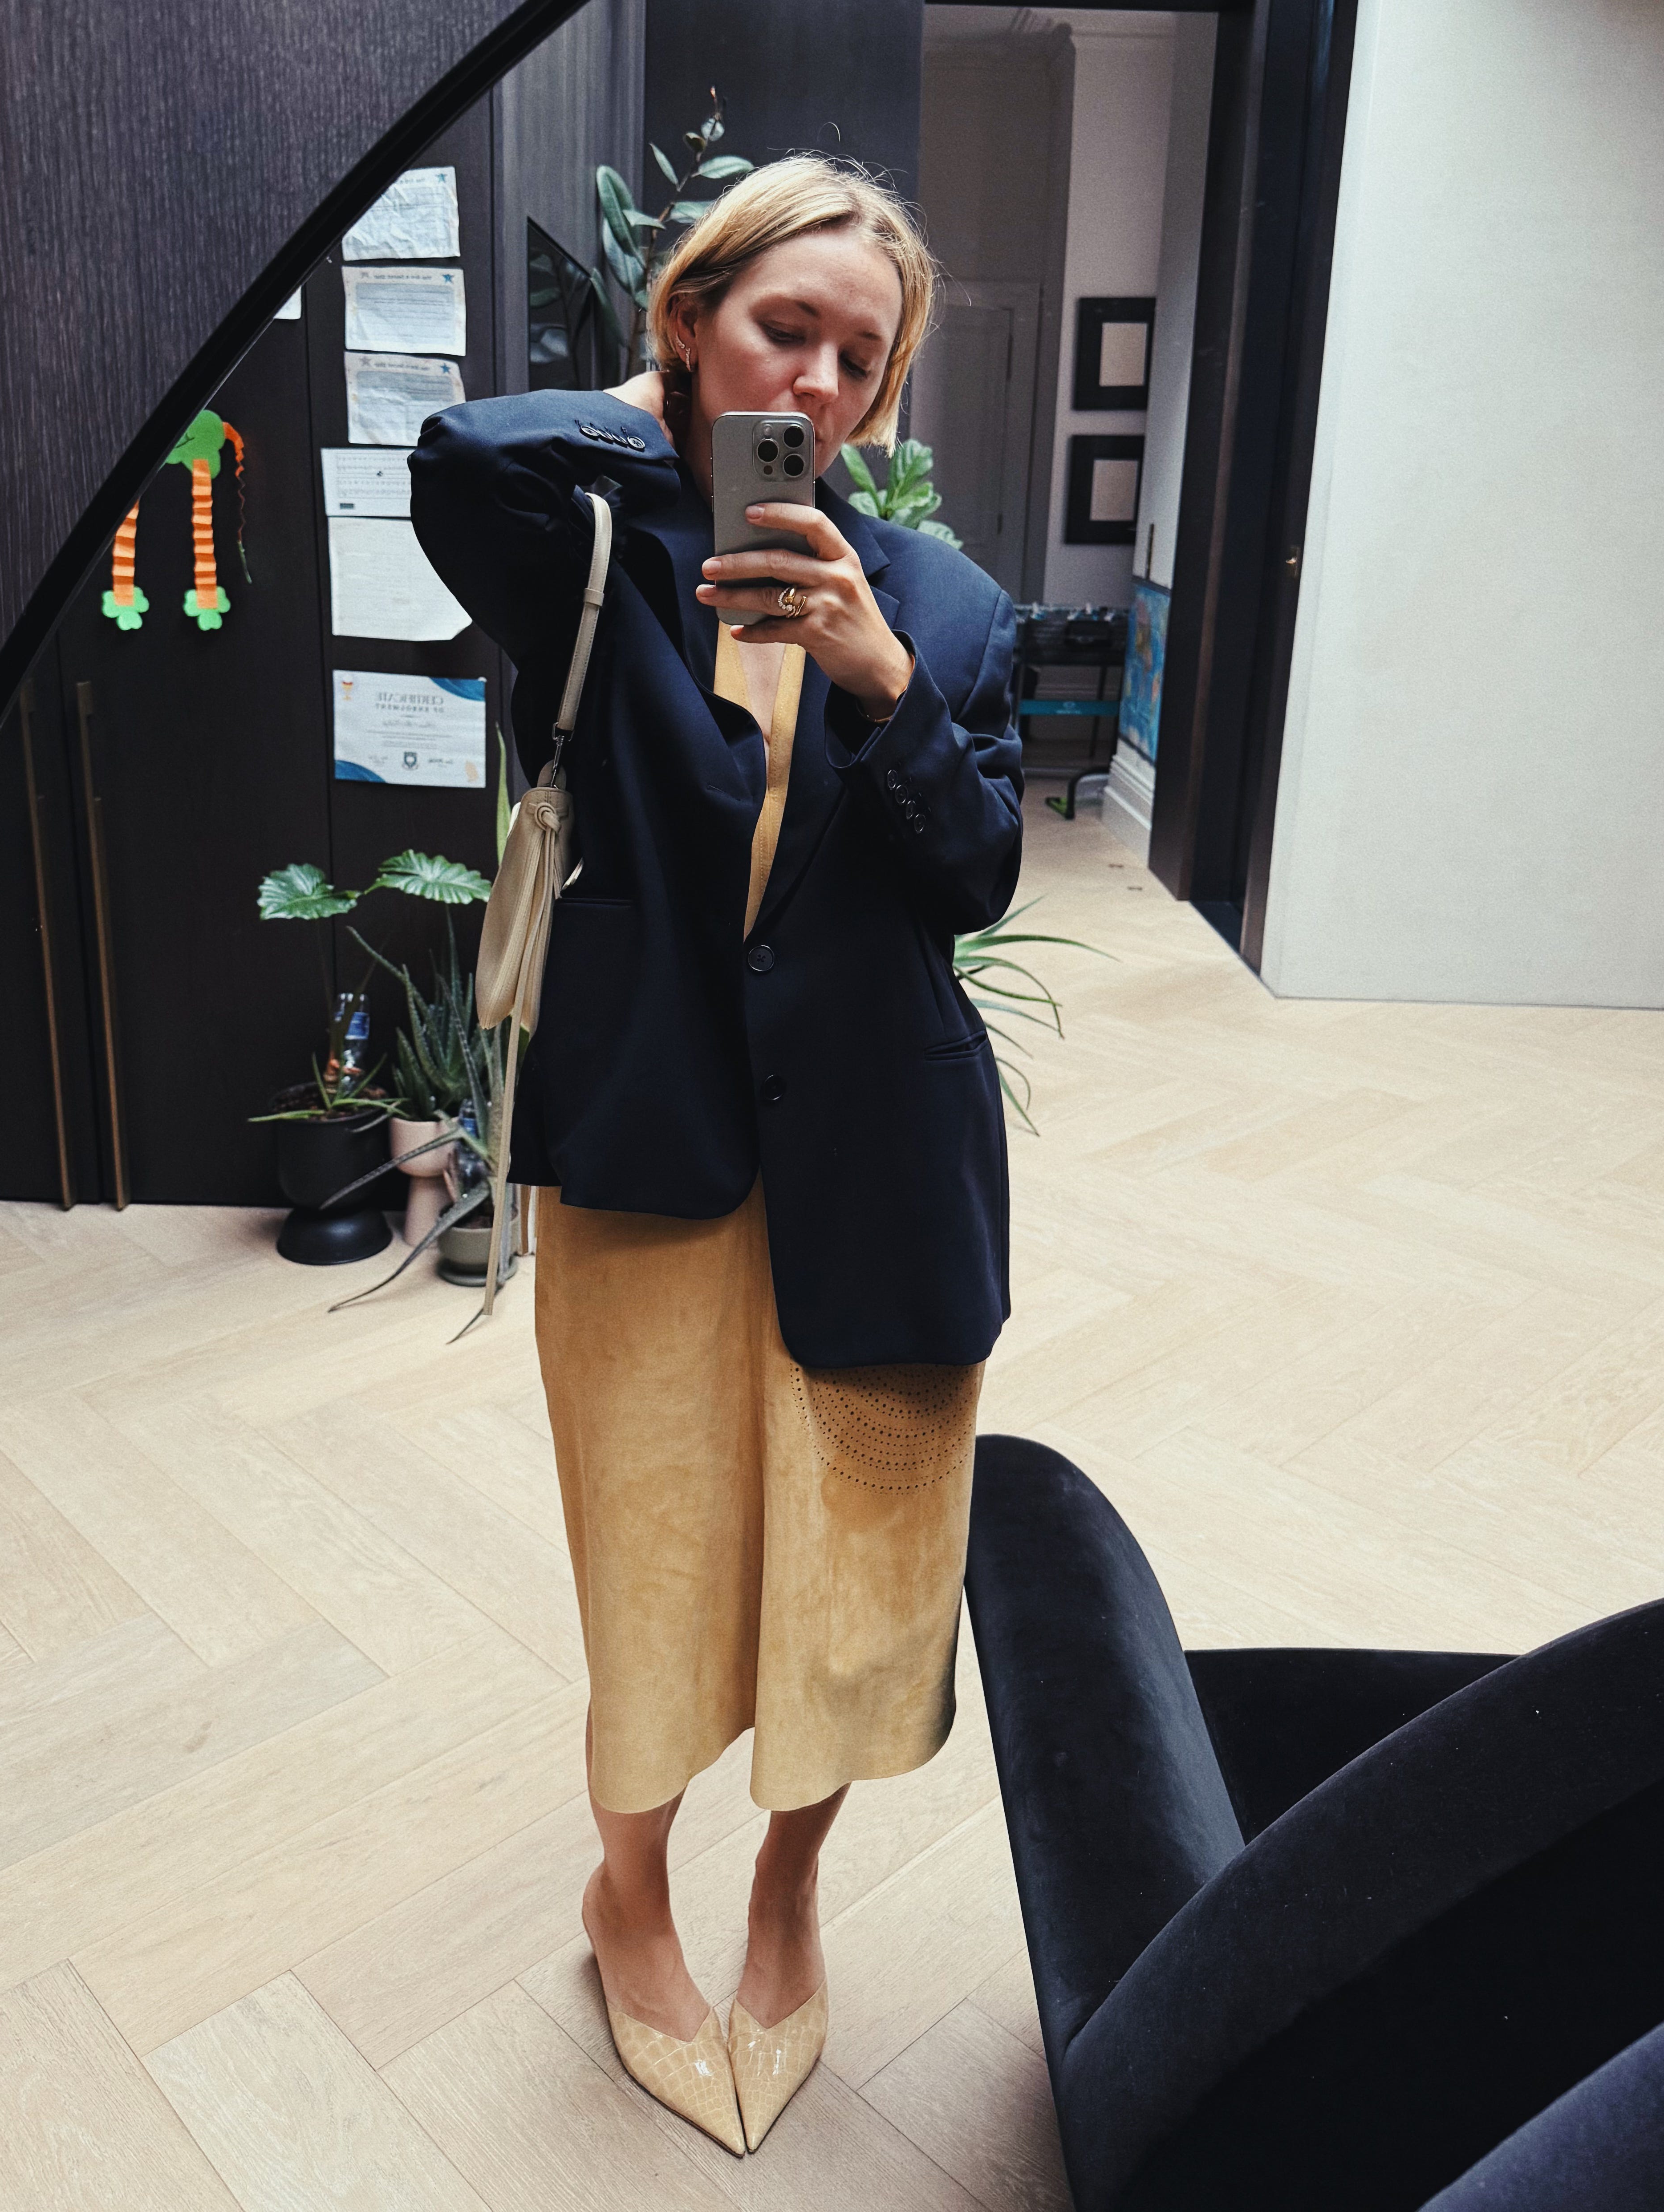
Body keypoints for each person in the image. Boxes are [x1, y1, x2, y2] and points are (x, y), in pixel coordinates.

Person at [409, 154, 1023, 2157]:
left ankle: (786, 1893)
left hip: (883, 1161)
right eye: (783, 330)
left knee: (850, 1568)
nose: (820, 386)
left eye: (861, 358)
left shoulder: (943, 606)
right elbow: (458, 454)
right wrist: (674, 430)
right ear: (688, 320)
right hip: (655, 1148)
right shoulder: (586, 538)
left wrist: (880, 678)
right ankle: (628, 1897)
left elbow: (975, 875)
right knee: (659, 1557)